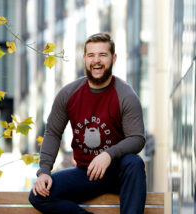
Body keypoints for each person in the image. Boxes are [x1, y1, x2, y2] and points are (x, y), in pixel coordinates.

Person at [29, 32, 147, 214]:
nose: (96, 61)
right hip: (86, 174)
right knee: (38, 195)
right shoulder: (69, 94)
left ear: (113, 58)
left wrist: (109, 154)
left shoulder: (126, 95)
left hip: (118, 173)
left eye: (102, 55)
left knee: (134, 162)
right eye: (91, 55)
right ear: (84, 59)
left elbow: (137, 138)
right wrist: (44, 171)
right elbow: (52, 132)